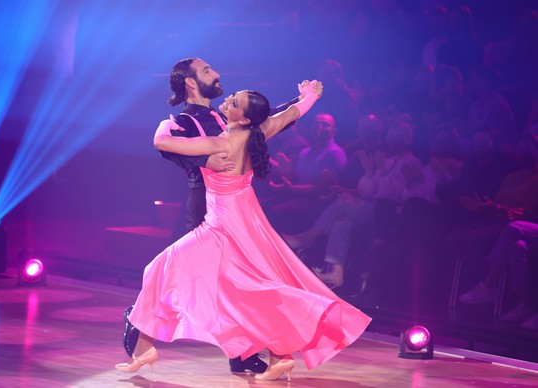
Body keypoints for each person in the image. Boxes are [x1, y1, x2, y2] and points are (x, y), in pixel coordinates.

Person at [115, 83, 371, 381]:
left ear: (243, 119)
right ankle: (278, 356)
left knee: (175, 271)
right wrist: (310, 96)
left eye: (235, 102)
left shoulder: (223, 144)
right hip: (244, 216)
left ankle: (281, 348)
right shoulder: (256, 133)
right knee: (253, 284)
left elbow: (163, 143)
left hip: (223, 225)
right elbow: (289, 115)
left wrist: (165, 124)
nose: (229, 100)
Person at [127, 57, 302, 374]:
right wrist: (205, 161)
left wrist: (300, 103)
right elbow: (169, 148)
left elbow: (264, 122)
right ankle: (141, 329)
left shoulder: (220, 120)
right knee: (210, 282)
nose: (217, 74)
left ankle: (252, 352)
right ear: (191, 82)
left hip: (232, 210)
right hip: (208, 205)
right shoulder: (189, 119)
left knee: (230, 284)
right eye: (207, 71)